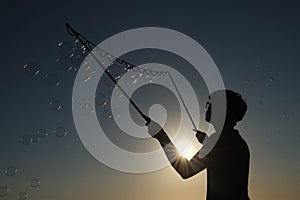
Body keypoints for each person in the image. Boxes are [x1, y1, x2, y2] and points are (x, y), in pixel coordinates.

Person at [147, 90, 250, 200]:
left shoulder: (218, 142)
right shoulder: (236, 141)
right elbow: (223, 163)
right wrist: (207, 142)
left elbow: (185, 170)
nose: (207, 107)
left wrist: (162, 137)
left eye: (211, 104)